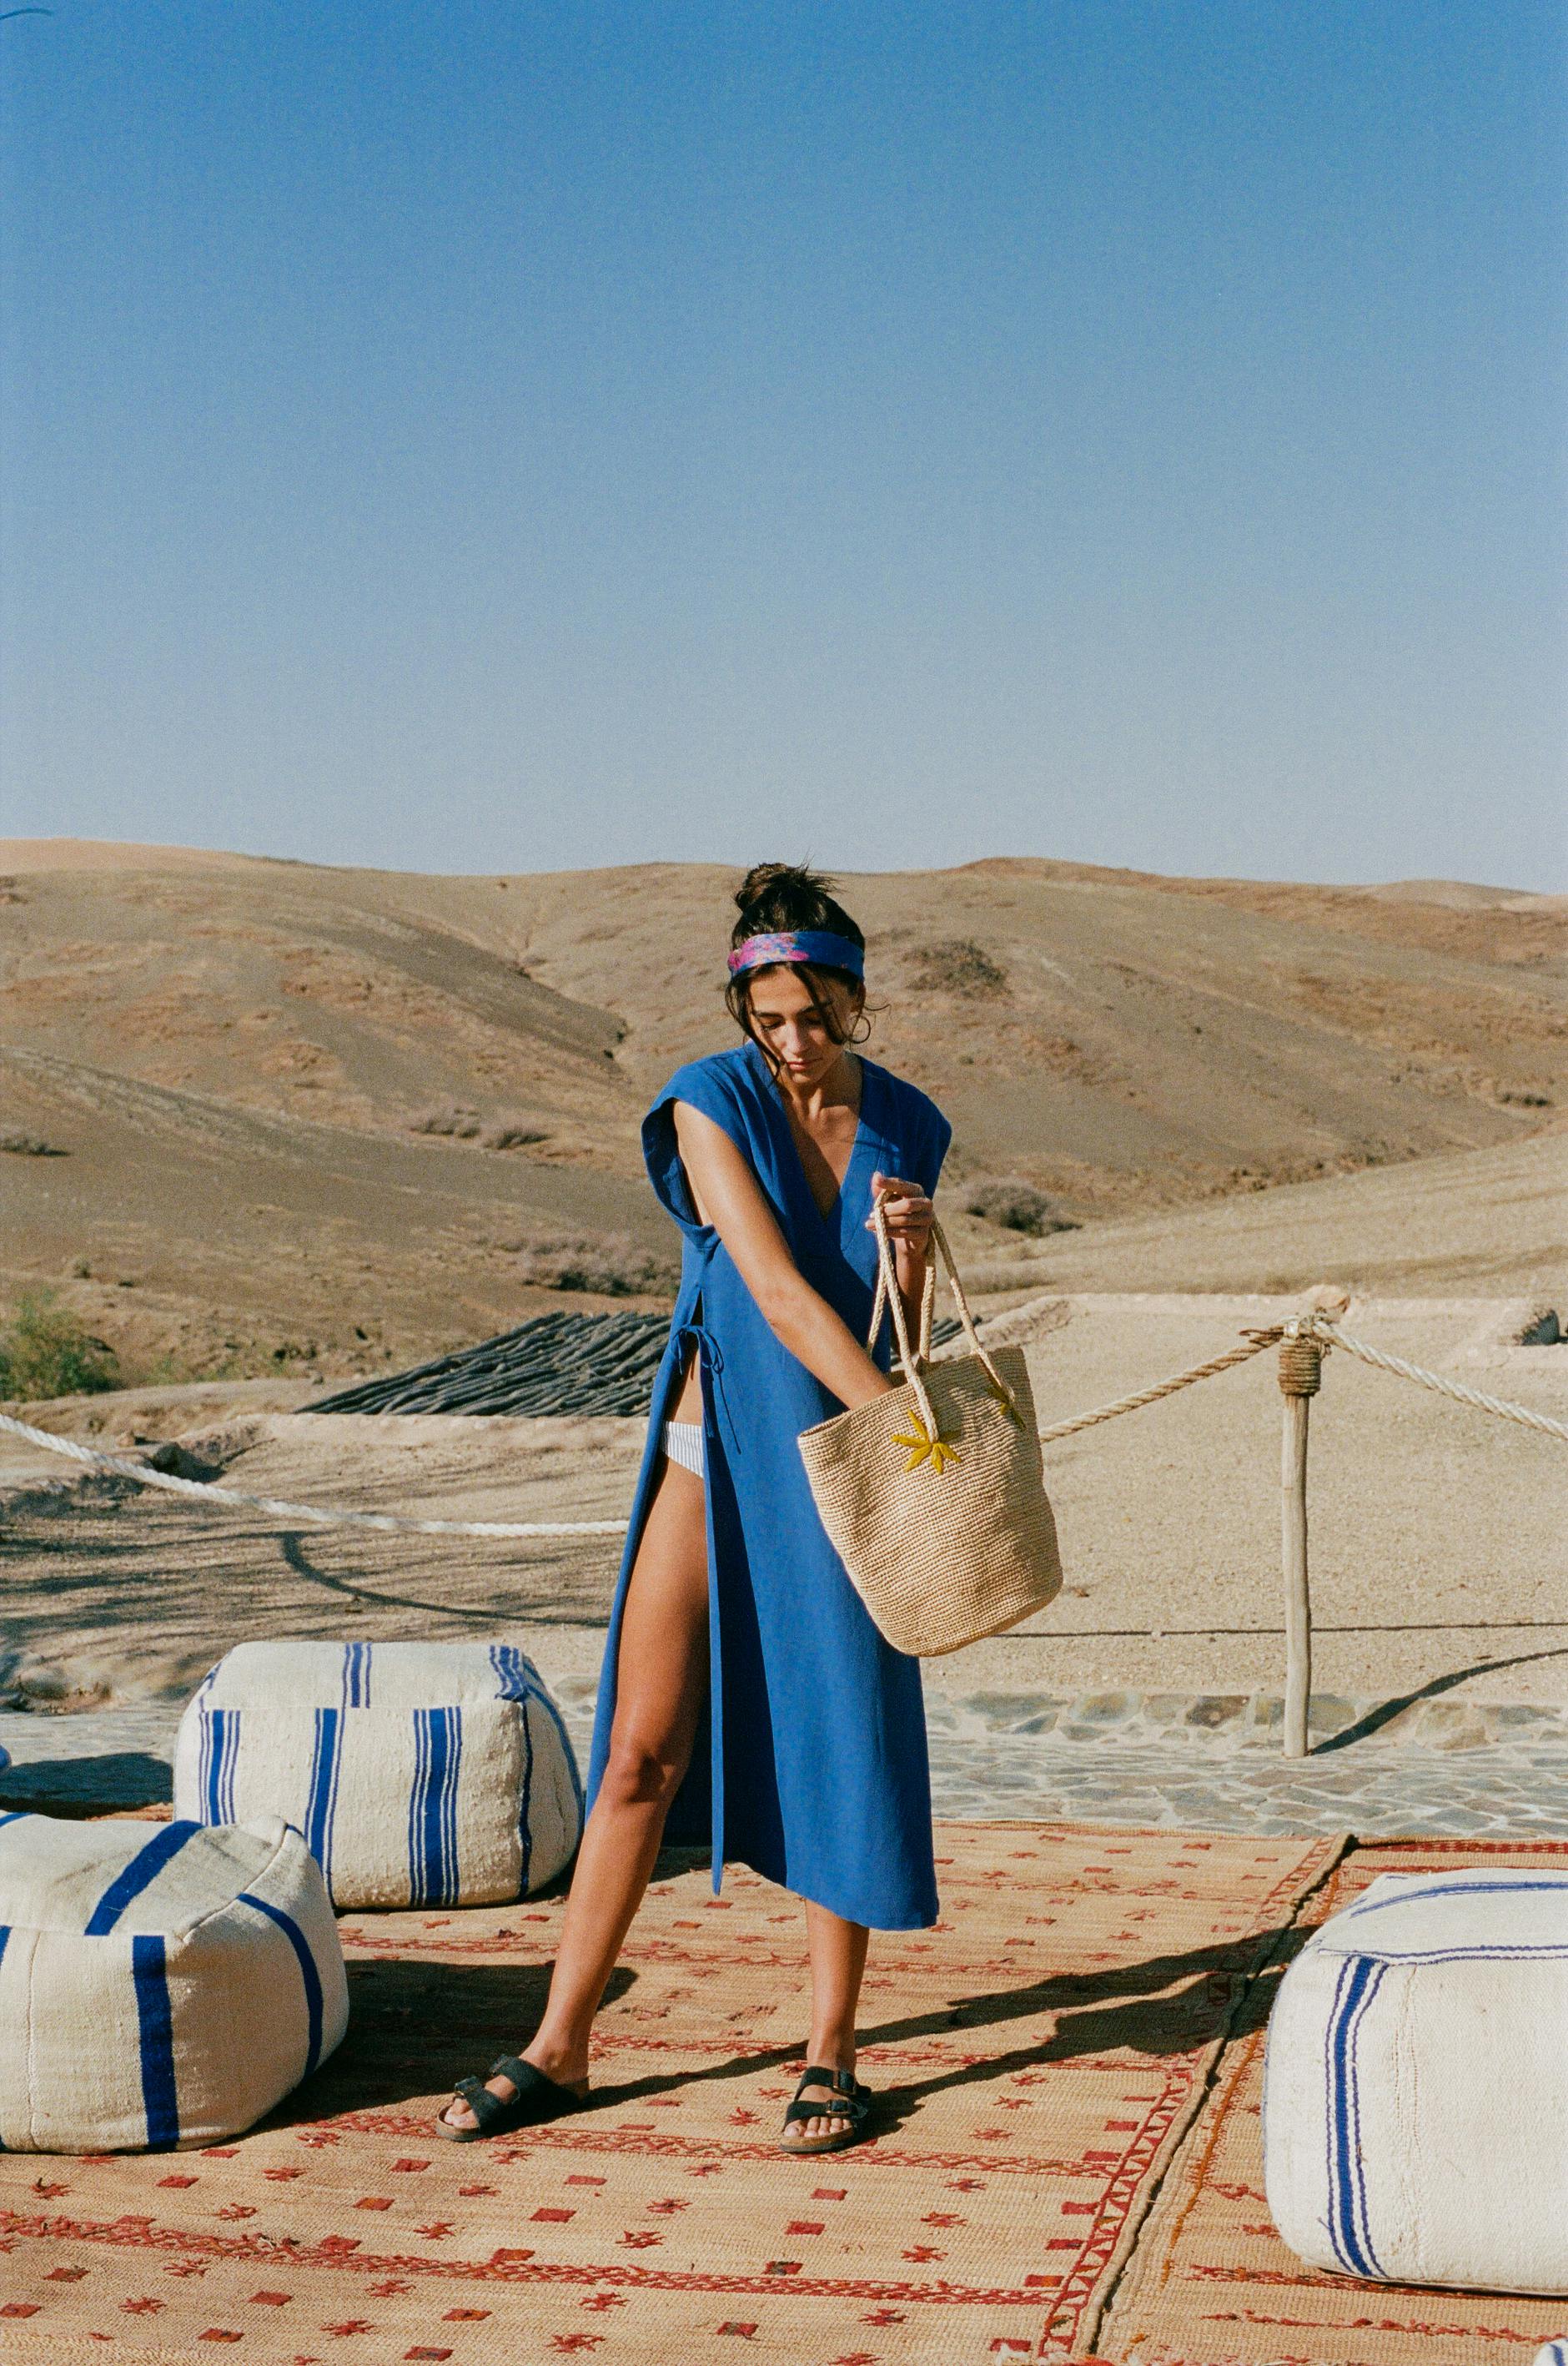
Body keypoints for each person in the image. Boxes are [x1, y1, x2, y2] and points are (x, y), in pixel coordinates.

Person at [438, 863, 952, 2156]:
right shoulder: (705, 1097)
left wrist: (915, 1263)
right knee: (636, 1751)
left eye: (815, 1014)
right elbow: (773, 1289)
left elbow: (902, 1328)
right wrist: (907, 1424)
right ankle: (560, 2042)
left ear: (854, 995)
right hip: (714, 1450)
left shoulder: (908, 1123)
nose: (791, 1043)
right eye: (767, 1017)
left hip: (839, 1461)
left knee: (842, 1737)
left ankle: (831, 2047)